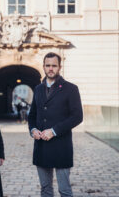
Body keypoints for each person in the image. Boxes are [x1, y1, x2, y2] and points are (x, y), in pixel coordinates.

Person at [28, 52, 83, 197]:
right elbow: (32, 115)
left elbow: (77, 117)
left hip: (61, 146)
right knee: (45, 189)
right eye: (48, 65)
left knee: (64, 190)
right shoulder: (38, 89)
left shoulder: (71, 89)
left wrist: (53, 131)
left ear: (59, 67)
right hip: (41, 146)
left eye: (54, 65)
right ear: (44, 67)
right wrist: (33, 129)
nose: (50, 68)